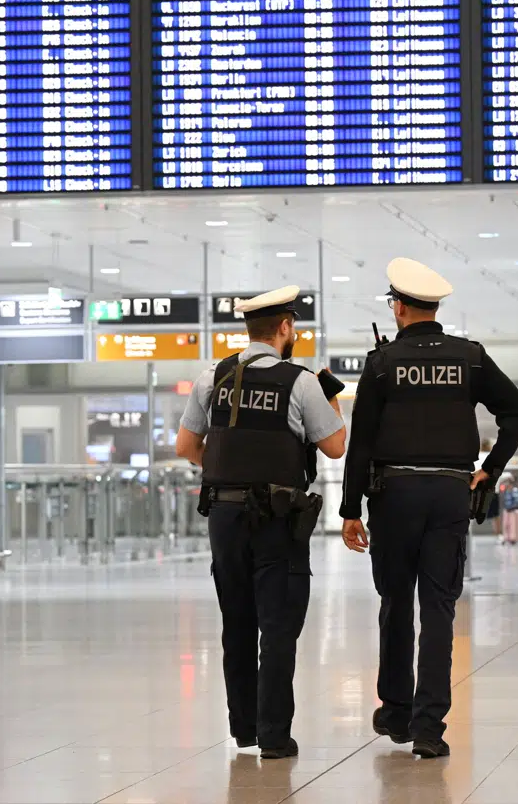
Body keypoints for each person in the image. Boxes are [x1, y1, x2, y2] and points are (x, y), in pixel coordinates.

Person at [340, 258, 518, 758]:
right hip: (449, 493)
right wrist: (490, 467)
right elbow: (517, 411)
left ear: (398, 308)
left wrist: (349, 508)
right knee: (440, 606)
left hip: (393, 495)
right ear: (434, 308)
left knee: (395, 602)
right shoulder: (470, 358)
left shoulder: (382, 364)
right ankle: (428, 728)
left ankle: (396, 711)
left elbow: (361, 443)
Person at [176, 285, 347, 759]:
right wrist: (332, 399)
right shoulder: (301, 382)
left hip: (224, 516)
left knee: (237, 622)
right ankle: (273, 735)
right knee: (278, 625)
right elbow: (335, 447)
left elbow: (186, 447)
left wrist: (230, 468)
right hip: (276, 518)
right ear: (286, 328)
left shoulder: (213, 377)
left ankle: (244, 728)